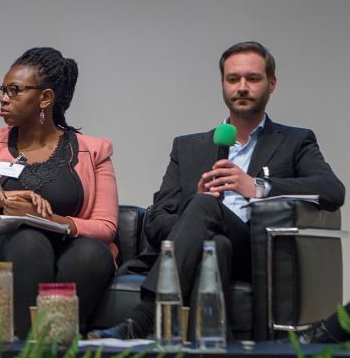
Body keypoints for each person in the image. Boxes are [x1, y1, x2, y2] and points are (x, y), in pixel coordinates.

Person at [92, 41, 345, 340]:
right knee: (213, 236)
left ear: (271, 83)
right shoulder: (188, 147)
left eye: (252, 79)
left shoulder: (295, 141)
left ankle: (144, 317)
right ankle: (211, 355)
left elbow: (332, 190)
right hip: (207, 246)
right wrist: (194, 205)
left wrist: (257, 187)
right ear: (222, 84)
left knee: (204, 208)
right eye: (232, 79)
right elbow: (158, 221)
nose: (241, 87)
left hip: (256, 253)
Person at [0, 47, 118, 338]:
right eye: (2, 90)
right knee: (30, 242)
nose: (4, 98)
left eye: (14, 91)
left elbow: (106, 227)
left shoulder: (94, 151)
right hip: (1, 247)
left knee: (93, 253)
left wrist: (50, 218)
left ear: (45, 98)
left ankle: (52, 350)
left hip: (68, 246)